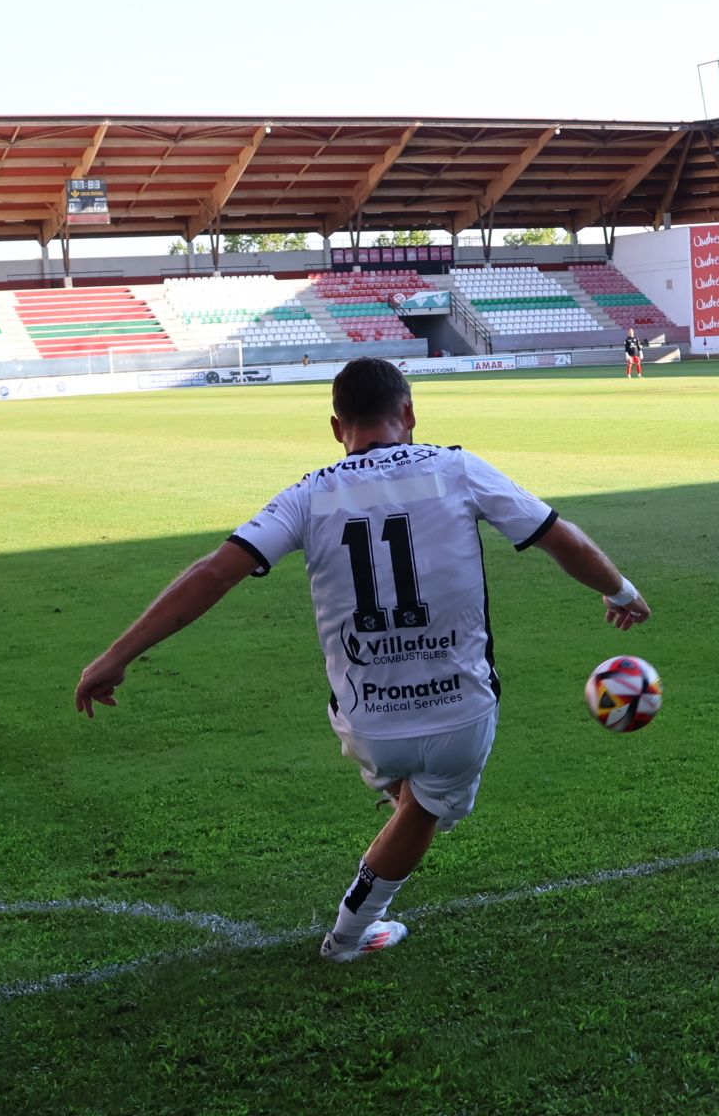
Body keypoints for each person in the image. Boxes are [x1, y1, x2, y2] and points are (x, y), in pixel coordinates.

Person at [73, 357, 653, 962]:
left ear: (335, 427)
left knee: (413, 785)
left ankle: (399, 787)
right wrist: (622, 592)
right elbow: (560, 537)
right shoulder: (456, 468)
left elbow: (214, 573)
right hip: (460, 715)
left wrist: (117, 655)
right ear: (408, 414)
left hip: (366, 722)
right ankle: (351, 935)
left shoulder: (309, 492)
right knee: (427, 811)